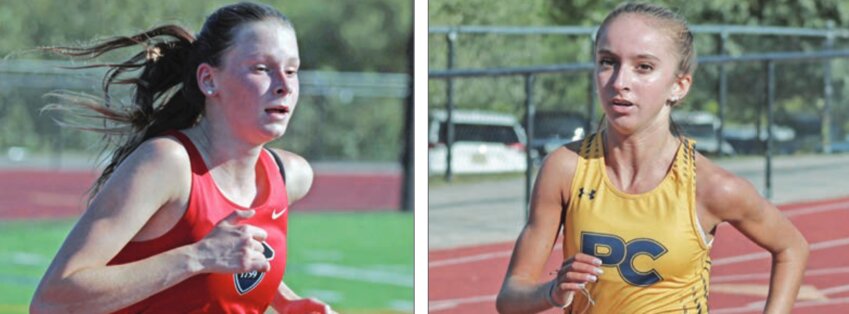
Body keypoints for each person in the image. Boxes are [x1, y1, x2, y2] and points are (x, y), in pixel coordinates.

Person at [496, 2, 809, 313]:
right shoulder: (565, 169)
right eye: (607, 62)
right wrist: (552, 292)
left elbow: (792, 247)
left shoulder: (710, 186)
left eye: (643, 67)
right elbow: (510, 298)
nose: (620, 82)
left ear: (679, 85)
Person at [30, 2, 336, 313]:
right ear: (208, 80)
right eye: (261, 68)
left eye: (291, 70)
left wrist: (286, 302)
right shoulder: (167, 164)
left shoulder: (290, 176)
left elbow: (234, 261)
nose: (284, 86)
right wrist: (197, 257)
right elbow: (51, 301)